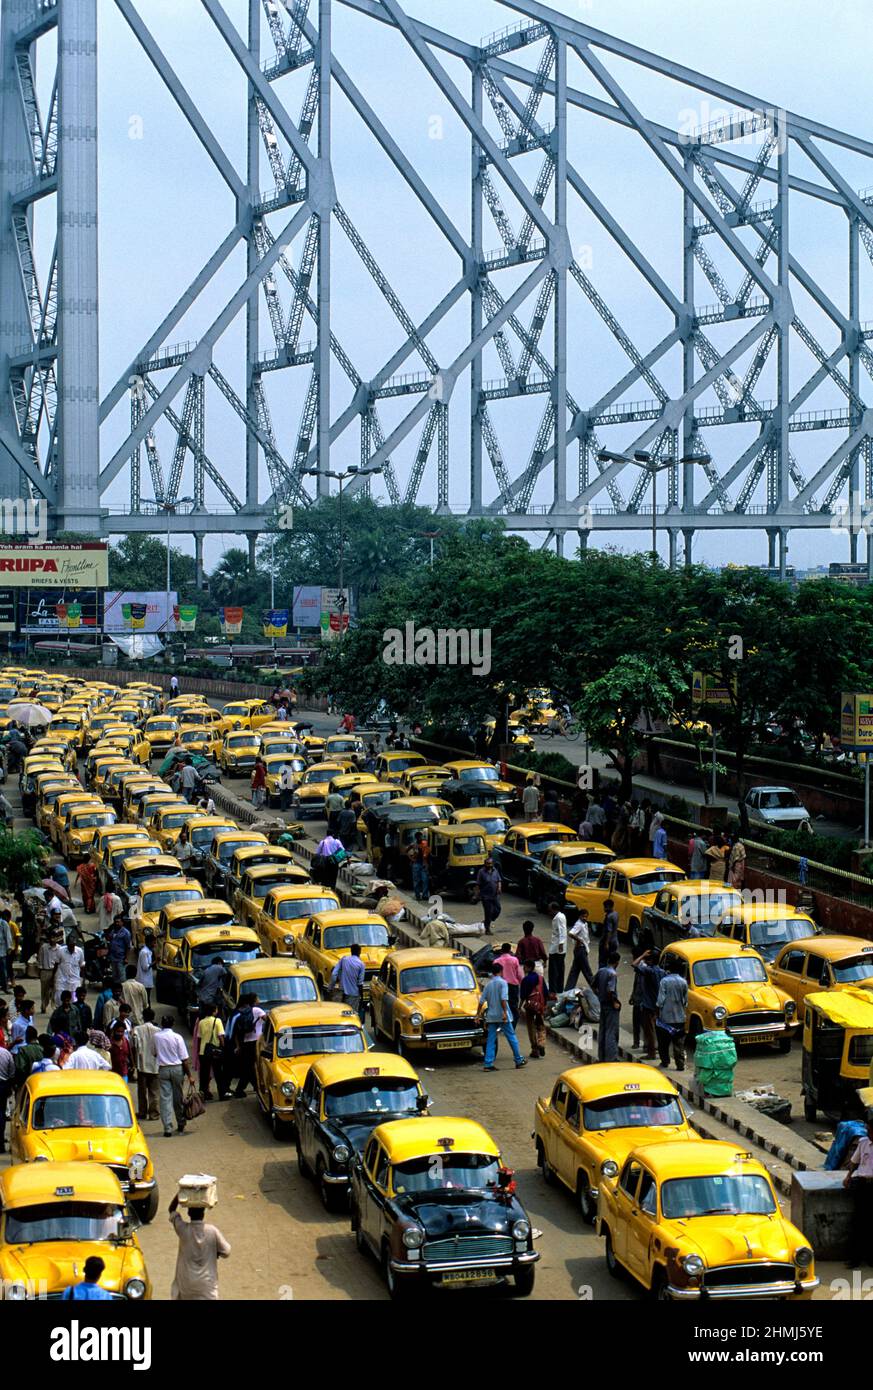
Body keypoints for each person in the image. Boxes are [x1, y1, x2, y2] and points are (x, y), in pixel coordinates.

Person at [168, 1193, 231, 1301]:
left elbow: (171, 1210)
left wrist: (181, 1193)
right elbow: (226, 1251)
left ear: (188, 1212)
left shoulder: (183, 1229)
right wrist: (216, 1252)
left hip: (186, 1285)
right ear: (203, 1212)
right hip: (207, 1285)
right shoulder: (212, 1231)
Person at [478, 962, 526, 1071]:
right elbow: (504, 999)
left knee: (491, 1040)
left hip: (491, 1016)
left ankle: (488, 1063)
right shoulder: (503, 983)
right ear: (501, 971)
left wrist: (478, 1015)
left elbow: (481, 1001)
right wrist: (504, 1012)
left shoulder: (488, 985)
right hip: (502, 1015)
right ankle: (518, 1059)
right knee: (511, 1037)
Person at [155, 1014, 195, 1136]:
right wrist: (190, 1075)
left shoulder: (156, 1037)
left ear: (162, 1023)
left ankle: (167, 1128)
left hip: (163, 1069)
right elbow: (184, 1059)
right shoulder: (177, 1037)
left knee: (165, 1099)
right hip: (177, 1069)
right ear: (172, 1024)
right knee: (178, 1097)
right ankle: (181, 1123)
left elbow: (153, 1052)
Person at [844, 1113, 873, 1268]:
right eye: (868, 1131)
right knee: (858, 1222)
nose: (869, 1134)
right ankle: (854, 1258)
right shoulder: (863, 1143)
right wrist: (848, 1176)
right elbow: (854, 1162)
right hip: (862, 1185)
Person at [632, 948, 664, 1060]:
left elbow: (634, 965)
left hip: (648, 1005)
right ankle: (658, 1050)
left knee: (649, 1030)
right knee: (658, 1030)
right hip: (659, 1005)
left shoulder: (649, 971)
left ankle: (651, 1053)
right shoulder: (662, 972)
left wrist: (642, 955)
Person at [656, 960, 688, 1071]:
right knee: (679, 1043)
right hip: (679, 1018)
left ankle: (665, 1061)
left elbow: (660, 1000)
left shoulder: (664, 981)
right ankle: (680, 1064)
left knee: (663, 1043)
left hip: (665, 1018)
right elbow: (685, 1001)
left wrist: (658, 1011)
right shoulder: (683, 982)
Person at [233, 993, 265, 1098]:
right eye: (258, 997)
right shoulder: (257, 1010)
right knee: (252, 1067)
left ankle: (254, 1087)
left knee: (249, 1066)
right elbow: (268, 1021)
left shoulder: (245, 1011)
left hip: (246, 1042)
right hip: (256, 1042)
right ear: (255, 1000)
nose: (259, 999)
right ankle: (242, 1089)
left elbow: (237, 1031)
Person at [132, 1007, 160, 1120]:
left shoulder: (137, 1029)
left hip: (141, 1064)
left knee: (142, 1091)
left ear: (143, 1017)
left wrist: (134, 1062)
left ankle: (142, 1112)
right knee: (154, 1091)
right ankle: (154, 1113)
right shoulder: (158, 1031)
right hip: (155, 1065)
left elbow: (134, 1045)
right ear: (153, 1018)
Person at [593, 951, 621, 1061]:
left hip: (602, 1003)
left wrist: (599, 995)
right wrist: (614, 1002)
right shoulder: (612, 974)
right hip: (610, 1005)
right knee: (611, 1032)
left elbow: (593, 985)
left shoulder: (601, 971)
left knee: (603, 1030)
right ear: (617, 962)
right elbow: (610, 990)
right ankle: (611, 1057)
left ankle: (602, 1056)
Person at [196, 1003, 225, 1101]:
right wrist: (223, 1047)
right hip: (214, 1051)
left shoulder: (201, 1022)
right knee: (218, 1074)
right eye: (216, 1009)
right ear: (214, 1011)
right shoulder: (218, 1021)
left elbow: (199, 1038)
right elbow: (221, 1036)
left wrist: (199, 1050)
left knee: (204, 1075)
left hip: (203, 1052)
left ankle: (203, 1095)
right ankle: (222, 1094)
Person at [330, 943, 365, 1019]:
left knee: (340, 1016)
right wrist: (362, 997)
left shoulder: (344, 960)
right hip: (353, 995)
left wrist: (330, 988)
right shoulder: (361, 964)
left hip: (341, 993)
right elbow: (360, 983)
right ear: (359, 952)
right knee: (351, 1017)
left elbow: (333, 975)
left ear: (351, 951)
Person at [520, 962, 547, 1059]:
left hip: (530, 1007)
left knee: (531, 1027)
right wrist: (544, 1005)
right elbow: (545, 992)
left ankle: (534, 1049)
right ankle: (541, 1043)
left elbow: (523, 996)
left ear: (529, 967)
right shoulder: (540, 978)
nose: (523, 968)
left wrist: (519, 1007)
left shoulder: (525, 980)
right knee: (541, 1026)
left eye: (525, 966)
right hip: (539, 1006)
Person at [493, 944, 523, 1024]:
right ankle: (513, 1025)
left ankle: (503, 1024)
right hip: (513, 986)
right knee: (513, 1007)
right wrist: (521, 983)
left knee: (501, 1006)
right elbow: (519, 975)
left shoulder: (496, 961)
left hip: (500, 986)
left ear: (501, 950)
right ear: (510, 950)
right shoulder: (514, 960)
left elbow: (494, 975)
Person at [565, 908, 594, 990]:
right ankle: (596, 989)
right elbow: (571, 933)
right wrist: (579, 940)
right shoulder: (579, 924)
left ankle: (568, 989)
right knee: (587, 971)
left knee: (574, 971)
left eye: (586, 916)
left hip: (581, 949)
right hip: (581, 950)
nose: (584, 918)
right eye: (583, 916)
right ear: (580, 916)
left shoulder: (585, 924)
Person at [475, 856, 502, 935]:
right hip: (486, 896)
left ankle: (487, 921)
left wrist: (499, 887)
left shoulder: (495, 871)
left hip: (495, 895)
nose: (489, 865)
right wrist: (477, 895)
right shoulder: (481, 872)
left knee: (498, 909)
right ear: (485, 864)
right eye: (487, 864)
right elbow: (478, 884)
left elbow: (499, 880)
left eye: (490, 863)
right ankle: (487, 929)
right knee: (488, 912)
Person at [37, 930, 62, 1013]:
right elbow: (40, 959)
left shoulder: (60, 949)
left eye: (54, 937)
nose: (53, 939)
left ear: (57, 938)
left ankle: (54, 1006)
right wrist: (40, 972)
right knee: (44, 990)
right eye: (51, 937)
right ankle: (43, 1005)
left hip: (56, 971)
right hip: (45, 971)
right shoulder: (44, 947)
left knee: (54, 990)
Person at [548, 901, 567, 994]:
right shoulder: (561, 916)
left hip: (556, 949)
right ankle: (559, 989)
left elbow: (562, 931)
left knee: (554, 971)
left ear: (554, 910)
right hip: (559, 948)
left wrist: (561, 944)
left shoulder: (558, 918)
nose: (549, 912)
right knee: (560, 970)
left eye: (550, 910)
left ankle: (554, 990)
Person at [108, 919, 131, 987]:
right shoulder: (113, 931)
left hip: (121, 958)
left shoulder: (126, 933)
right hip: (113, 957)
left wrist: (126, 958)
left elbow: (128, 946)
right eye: (115, 922)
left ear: (122, 922)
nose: (117, 923)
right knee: (115, 976)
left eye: (118, 922)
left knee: (122, 977)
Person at [409, 832, 430, 903]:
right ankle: (417, 895)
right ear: (416, 837)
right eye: (419, 837)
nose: (420, 838)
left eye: (421, 836)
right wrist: (411, 858)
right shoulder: (414, 845)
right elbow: (407, 850)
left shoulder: (425, 843)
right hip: (416, 864)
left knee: (425, 879)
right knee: (416, 881)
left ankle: (425, 895)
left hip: (423, 863)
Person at [0, 1043, 14, 1150]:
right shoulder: (6, 1053)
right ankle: (0, 1142)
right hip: (3, 1085)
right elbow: (12, 1072)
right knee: (1, 1113)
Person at [598, 899, 620, 967]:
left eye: (605, 907)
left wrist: (606, 943)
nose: (604, 908)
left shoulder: (609, 917)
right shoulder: (616, 914)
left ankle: (602, 975)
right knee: (612, 959)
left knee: (603, 960)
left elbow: (609, 931)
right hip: (615, 940)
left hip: (609, 941)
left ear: (608, 906)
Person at [136, 932, 155, 1002]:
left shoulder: (148, 951)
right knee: (145, 1000)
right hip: (144, 981)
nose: (154, 945)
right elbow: (145, 967)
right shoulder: (144, 952)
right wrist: (156, 962)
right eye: (153, 943)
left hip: (146, 981)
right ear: (149, 942)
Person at [0, 912, 14, 991]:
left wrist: (9, 948)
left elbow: (8, 936)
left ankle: (5, 986)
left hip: (2, 950)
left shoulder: (3, 923)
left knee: (3, 969)